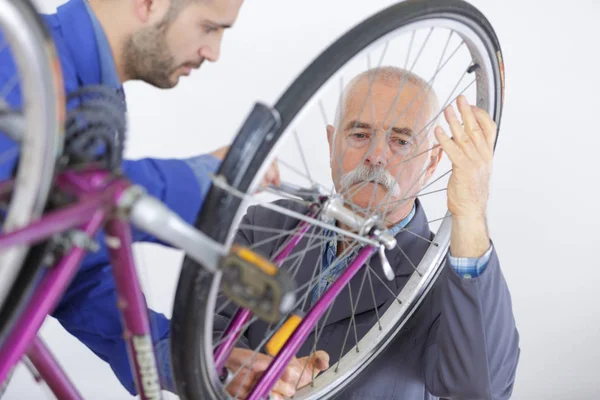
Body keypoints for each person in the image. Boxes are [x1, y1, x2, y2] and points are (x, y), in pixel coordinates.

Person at [0, 0, 279, 395]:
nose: (213, 53)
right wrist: (206, 182)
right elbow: (43, 190)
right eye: (210, 28)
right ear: (149, 4)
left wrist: (183, 358)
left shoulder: (89, 93)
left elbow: (72, 265)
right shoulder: (14, 51)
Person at [217, 66, 520, 399]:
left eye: (401, 141)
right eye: (360, 134)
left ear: (433, 162)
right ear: (332, 143)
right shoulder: (265, 225)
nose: (376, 156)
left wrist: (471, 214)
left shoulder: (448, 278)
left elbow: (480, 389)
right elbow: (205, 333)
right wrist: (255, 374)